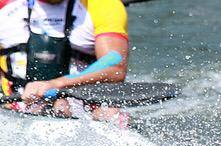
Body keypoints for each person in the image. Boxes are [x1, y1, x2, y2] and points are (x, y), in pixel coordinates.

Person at [0, 0, 128, 120]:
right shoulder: (4, 5)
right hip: (13, 104)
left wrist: (55, 84)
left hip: (82, 103)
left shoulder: (102, 5)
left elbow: (115, 68)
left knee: (110, 113)